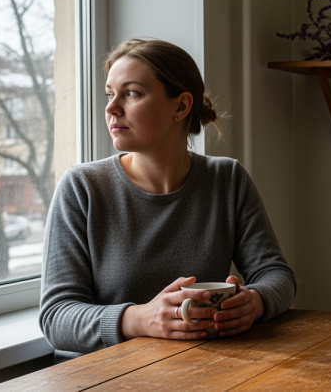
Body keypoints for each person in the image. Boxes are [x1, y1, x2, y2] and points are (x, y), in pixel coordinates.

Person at [39, 39, 296, 362]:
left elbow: (277, 275)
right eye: (110, 94)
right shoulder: (81, 187)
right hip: (104, 378)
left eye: (130, 93)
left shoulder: (226, 179)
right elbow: (56, 317)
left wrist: (254, 302)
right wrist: (140, 319)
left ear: (181, 106)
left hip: (202, 369)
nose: (111, 107)